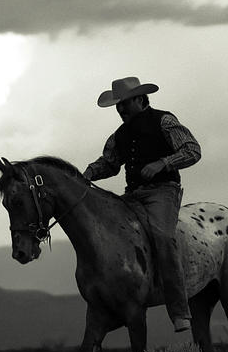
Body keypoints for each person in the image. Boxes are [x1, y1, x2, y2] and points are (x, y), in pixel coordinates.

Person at [82, 76, 201, 333]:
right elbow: (110, 164)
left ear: (139, 99)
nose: (120, 109)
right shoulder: (119, 135)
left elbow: (193, 150)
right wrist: (89, 173)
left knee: (163, 236)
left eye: (124, 104)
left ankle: (180, 311)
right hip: (133, 194)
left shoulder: (165, 121)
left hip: (163, 191)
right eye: (118, 105)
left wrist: (163, 163)